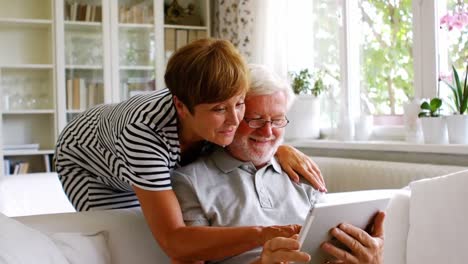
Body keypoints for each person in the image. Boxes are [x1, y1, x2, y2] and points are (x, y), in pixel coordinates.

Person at [54, 39, 326, 262]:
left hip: (156, 137)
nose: (235, 120)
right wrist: (261, 234)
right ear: (182, 108)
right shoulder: (143, 134)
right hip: (86, 162)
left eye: (240, 104)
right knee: (133, 239)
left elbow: (255, 130)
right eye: (220, 109)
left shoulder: (212, 117)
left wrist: (277, 148)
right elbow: (175, 241)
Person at [172, 64, 384, 264]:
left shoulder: (302, 170)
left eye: (277, 120)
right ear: (231, 116)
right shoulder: (190, 181)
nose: (267, 132)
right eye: (255, 119)